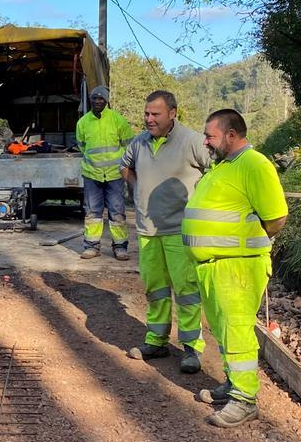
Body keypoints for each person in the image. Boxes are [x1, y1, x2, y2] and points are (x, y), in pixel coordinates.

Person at [183, 109, 287, 428]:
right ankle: (233, 384)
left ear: (231, 135)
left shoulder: (254, 165)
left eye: (210, 135)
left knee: (237, 329)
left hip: (237, 267)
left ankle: (245, 400)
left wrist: (244, 244)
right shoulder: (224, 165)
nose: (205, 141)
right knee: (224, 329)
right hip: (215, 267)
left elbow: (276, 218)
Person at [120, 90, 212, 373]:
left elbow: (216, 173)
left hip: (180, 231)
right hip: (147, 230)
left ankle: (191, 348)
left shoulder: (193, 141)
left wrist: (201, 204)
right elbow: (125, 166)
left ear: (173, 113)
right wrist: (138, 189)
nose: (148, 119)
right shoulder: (139, 142)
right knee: (155, 289)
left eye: (155, 114)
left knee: (186, 290)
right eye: (146, 114)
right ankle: (157, 340)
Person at [75, 85, 134, 260]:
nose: (98, 101)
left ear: (106, 100)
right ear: (91, 100)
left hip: (115, 175)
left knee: (117, 212)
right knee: (92, 212)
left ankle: (120, 247)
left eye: (101, 98)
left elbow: (128, 145)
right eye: (94, 98)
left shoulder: (118, 120)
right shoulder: (83, 122)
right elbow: (82, 146)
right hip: (92, 174)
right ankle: (92, 247)